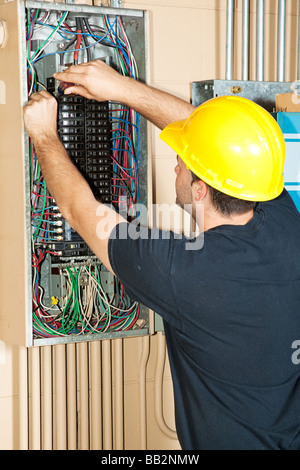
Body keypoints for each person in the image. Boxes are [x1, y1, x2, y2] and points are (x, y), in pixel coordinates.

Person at [23, 60, 300, 450]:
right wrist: (119, 88)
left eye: (183, 165)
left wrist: (43, 134)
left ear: (200, 189)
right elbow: (217, 138)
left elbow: (77, 209)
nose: (175, 164)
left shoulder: (183, 272)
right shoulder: (286, 225)